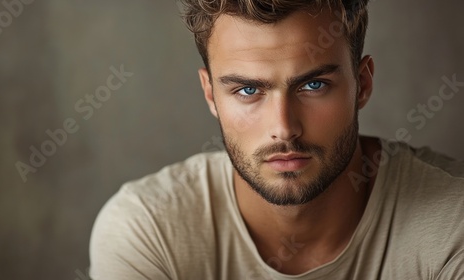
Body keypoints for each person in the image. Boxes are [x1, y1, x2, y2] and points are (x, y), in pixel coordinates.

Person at [89, 0, 464, 279]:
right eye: (249, 90)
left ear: (362, 84)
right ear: (210, 95)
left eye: (313, 85)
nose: (284, 128)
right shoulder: (148, 231)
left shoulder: (451, 225)